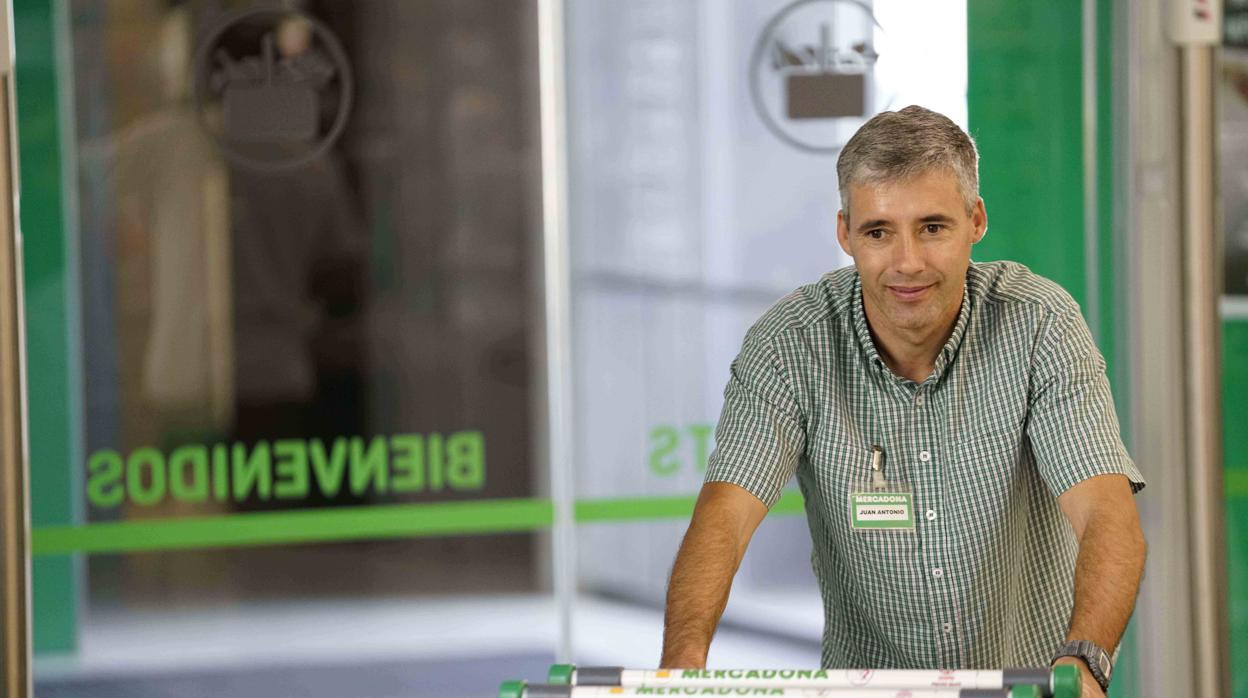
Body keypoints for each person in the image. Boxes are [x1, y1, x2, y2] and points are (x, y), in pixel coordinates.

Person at [659, 106, 1146, 698]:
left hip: (1033, 686)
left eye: (933, 227)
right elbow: (725, 517)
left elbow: (1105, 512)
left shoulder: (1040, 323)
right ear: (845, 234)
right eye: (878, 232)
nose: (908, 262)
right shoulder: (791, 345)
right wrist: (682, 664)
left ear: (977, 221)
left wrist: (1085, 662)